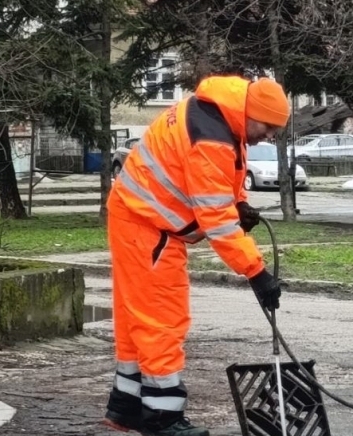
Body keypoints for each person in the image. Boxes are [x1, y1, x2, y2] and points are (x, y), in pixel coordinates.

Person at [102, 75, 290, 436]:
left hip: (137, 218)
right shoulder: (213, 137)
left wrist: (239, 204)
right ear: (253, 113)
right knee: (162, 320)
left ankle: (126, 408)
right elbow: (216, 220)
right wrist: (257, 272)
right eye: (269, 127)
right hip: (148, 226)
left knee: (136, 320)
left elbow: (212, 186)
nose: (269, 135)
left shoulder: (218, 115)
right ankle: (163, 419)